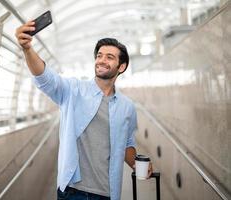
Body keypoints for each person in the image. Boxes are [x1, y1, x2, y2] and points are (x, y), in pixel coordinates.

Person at [15, 21, 153, 200]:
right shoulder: (73, 90)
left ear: (121, 67)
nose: (102, 60)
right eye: (100, 56)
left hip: (108, 192)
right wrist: (27, 49)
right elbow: (46, 78)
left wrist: (138, 163)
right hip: (73, 191)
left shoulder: (127, 106)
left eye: (109, 57)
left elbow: (127, 143)